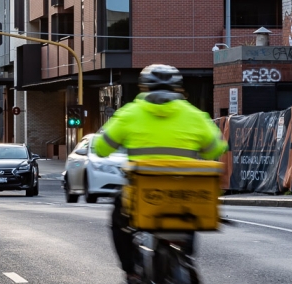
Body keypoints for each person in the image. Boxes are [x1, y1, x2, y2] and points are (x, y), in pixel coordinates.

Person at [94, 64, 229, 284]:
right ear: (179, 89)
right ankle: (185, 256)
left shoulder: (129, 113)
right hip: (185, 194)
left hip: (143, 196)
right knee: (190, 213)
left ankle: (131, 272)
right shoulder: (195, 115)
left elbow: (101, 148)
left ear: (143, 87)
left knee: (119, 221)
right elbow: (216, 148)